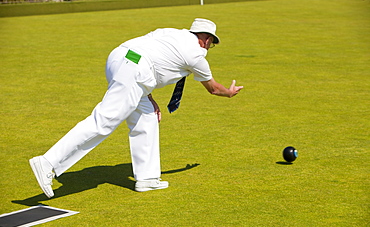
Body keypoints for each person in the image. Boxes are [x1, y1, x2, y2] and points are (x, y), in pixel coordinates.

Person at [29, 18, 243, 198]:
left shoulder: (170, 33)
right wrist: (229, 92)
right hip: (135, 70)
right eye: (211, 43)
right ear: (206, 39)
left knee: (147, 117)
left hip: (120, 60)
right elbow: (214, 89)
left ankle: (147, 178)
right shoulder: (197, 54)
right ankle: (48, 162)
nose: (209, 47)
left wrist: (147, 95)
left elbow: (146, 55)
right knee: (103, 121)